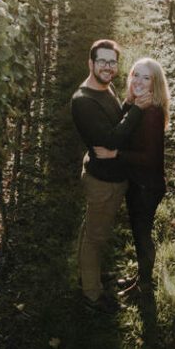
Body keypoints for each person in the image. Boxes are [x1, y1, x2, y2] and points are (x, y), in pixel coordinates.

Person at [71, 39, 150, 313]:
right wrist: (138, 109)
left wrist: (128, 104)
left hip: (109, 175)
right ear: (90, 63)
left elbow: (115, 122)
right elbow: (112, 138)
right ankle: (91, 295)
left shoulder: (105, 87)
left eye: (112, 62)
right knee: (95, 237)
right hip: (104, 181)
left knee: (92, 229)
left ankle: (88, 275)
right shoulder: (83, 101)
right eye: (102, 61)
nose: (108, 67)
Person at [94, 57, 169, 298]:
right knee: (139, 232)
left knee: (142, 234)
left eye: (146, 78)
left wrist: (116, 154)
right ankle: (141, 277)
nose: (138, 80)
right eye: (135, 74)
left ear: (154, 84)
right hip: (138, 183)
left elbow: (151, 158)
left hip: (147, 186)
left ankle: (144, 285)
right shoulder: (139, 104)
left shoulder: (152, 114)